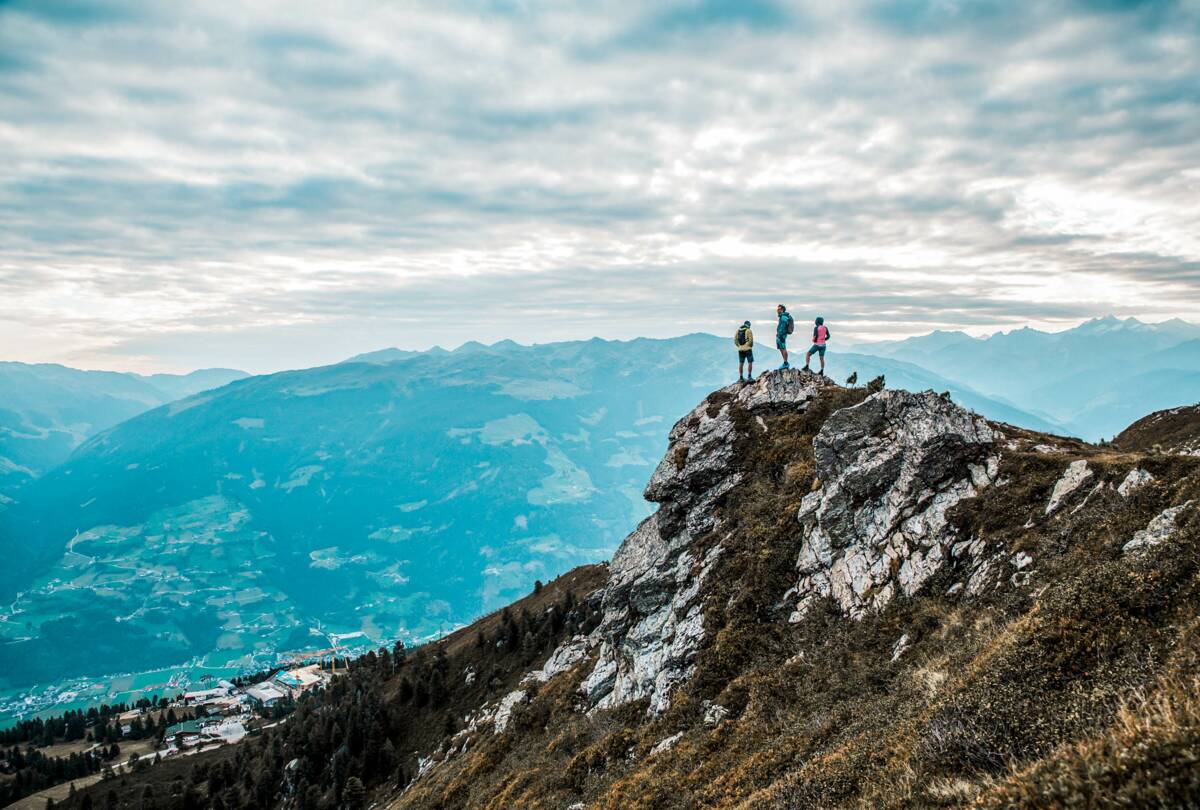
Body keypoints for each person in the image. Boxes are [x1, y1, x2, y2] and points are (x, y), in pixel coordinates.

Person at [775, 304, 794, 369]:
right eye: (777, 309)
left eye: (779, 309)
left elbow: (782, 327)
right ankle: (785, 362)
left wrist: (779, 335)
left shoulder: (783, 317)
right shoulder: (782, 316)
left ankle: (786, 363)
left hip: (782, 335)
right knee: (781, 348)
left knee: (783, 348)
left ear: (782, 310)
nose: (777, 310)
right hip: (781, 335)